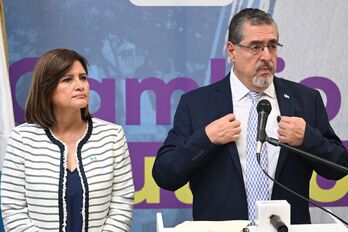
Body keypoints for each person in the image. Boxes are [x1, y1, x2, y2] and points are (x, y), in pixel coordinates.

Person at [152, 8, 348, 224]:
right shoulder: (197, 104)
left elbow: (339, 168)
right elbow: (165, 175)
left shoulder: (305, 100)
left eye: (272, 46)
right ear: (231, 50)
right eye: (255, 47)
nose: (266, 56)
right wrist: (205, 139)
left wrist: (308, 139)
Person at [1, 48, 135, 231]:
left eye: (83, 77)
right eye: (67, 79)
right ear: (46, 89)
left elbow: (122, 204)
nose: (80, 85)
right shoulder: (21, 139)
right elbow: (13, 210)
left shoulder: (112, 136)